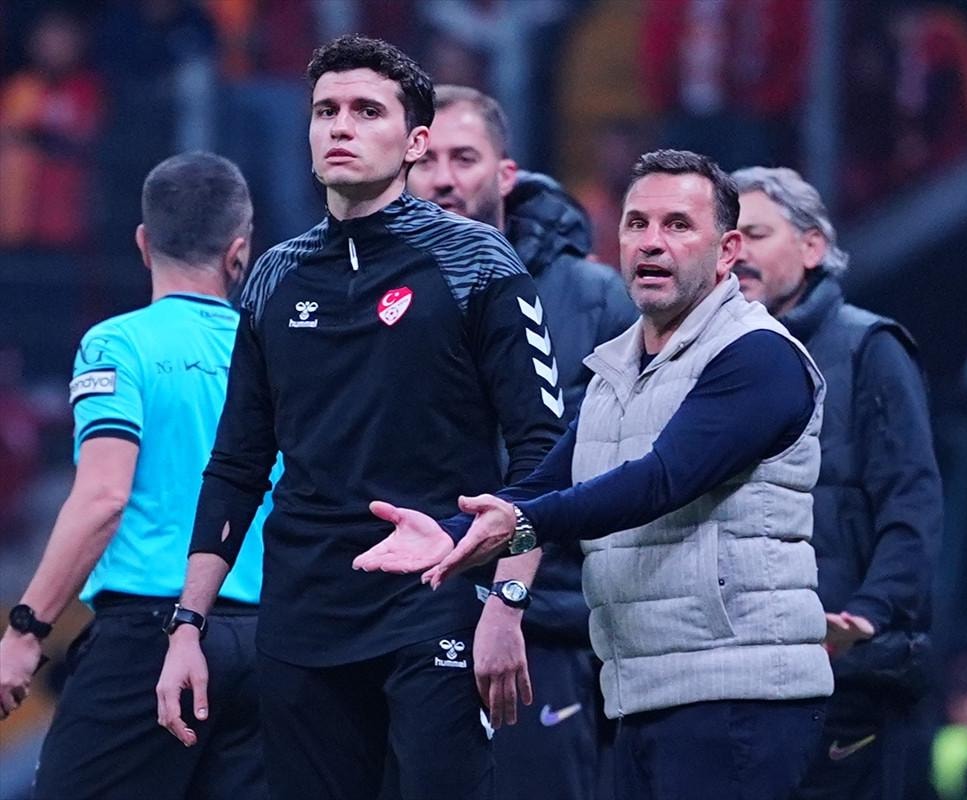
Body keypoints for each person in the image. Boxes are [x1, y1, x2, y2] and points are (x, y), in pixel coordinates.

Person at [154, 35, 565, 800]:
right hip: (301, 616)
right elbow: (238, 464)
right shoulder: (274, 276)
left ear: (414, 144)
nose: (340, 126)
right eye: (326, 111)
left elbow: (542, 445)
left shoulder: (478, 262)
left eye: (367, 111)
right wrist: (187, 625)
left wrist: (509, 600)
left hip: (435, 600)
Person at [355, 149, 833, 799]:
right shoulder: (617, 369)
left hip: (742, 695)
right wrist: (451, 534)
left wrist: (519, 525)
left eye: (677, 225)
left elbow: (658, 482)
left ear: (726, 252)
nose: (652, 242)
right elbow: (547, 482)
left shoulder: (759, 355)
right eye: (637, 224)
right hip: (642, 689)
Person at [0, 152, 268, 800]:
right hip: (266, 646)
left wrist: (27, 629)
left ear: (144, 243)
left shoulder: (117, 345)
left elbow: (103, 497)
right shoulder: (274, 349)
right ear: (240, 250)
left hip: (153, 639)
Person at [407, 84, 636, 800]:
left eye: (464, 158)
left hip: (546, 626)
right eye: (427, 160)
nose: (444, 178)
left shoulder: (595, 297)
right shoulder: (372, 297)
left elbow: (610, 466)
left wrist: (511, 596)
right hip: (411, 619)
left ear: (506, 174)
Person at [729, 166, 943, 800]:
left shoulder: (869, 349)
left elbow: (913, 506)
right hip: (725, 678)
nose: (739, 253)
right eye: (728, 238)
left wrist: (868, 619)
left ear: (812, 246)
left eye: (757, 234)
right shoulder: (700, 357)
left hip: (842, 678)